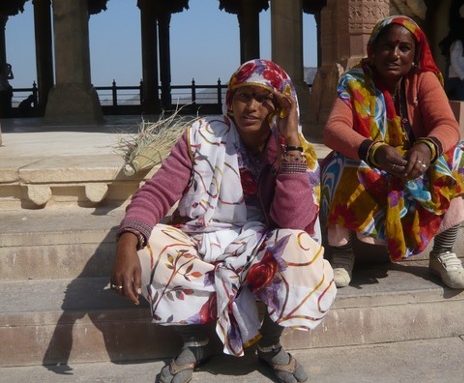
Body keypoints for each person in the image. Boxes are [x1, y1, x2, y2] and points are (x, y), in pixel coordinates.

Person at [110, 59, 337, 383]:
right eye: (244, 96)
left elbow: (295, 221)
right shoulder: (200, 138)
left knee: (300, 247)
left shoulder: (292, 147)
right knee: (149, 243)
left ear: (282, 107)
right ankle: (196, 341)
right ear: (231, 99)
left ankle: (270, 344)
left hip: (260, 243)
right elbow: (157, 192)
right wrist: (127, 240)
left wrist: (290, 143)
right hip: (200, 238)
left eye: (264, 99)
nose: (252, 106)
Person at [321, 15, 464, 290]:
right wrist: (374, 149)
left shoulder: (424, 80)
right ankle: (342, 255)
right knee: (336, 164)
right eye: (387, 46)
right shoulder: (354, 81)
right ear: (373, 49)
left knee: (459, 158)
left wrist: (426, 148)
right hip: (372, 162)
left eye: (404, 48)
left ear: (414, 54)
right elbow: (334, 128)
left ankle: (442, 252)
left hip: (414, 165)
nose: (394, 54)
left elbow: (448, 125)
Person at [439, 17, 464, 102]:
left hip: (457, 76)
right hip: (456, 77)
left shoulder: (460, 44)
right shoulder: (457, 44)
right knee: (461, 102)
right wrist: (463, 75)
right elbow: (454, 61)